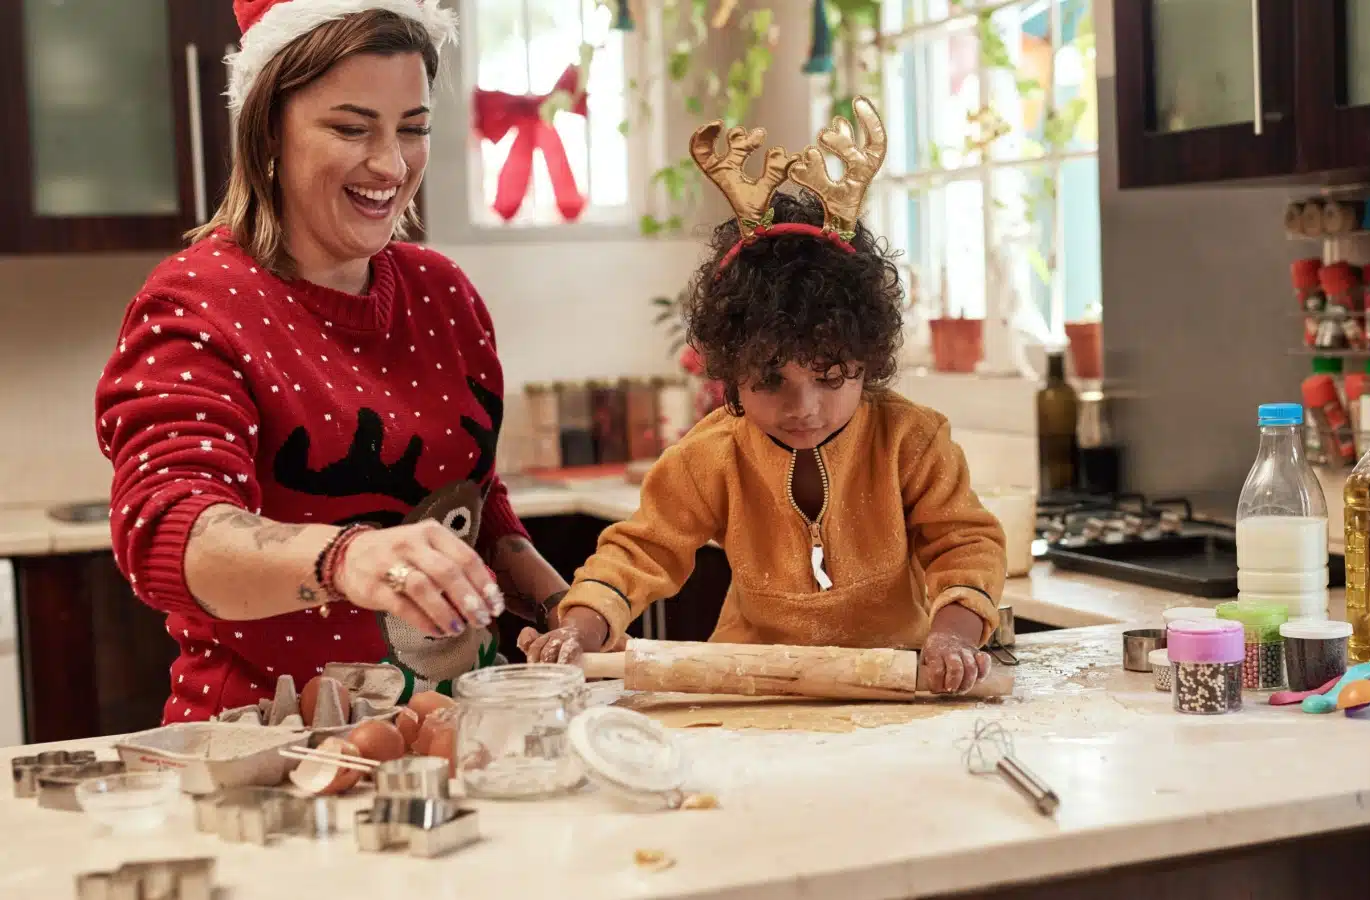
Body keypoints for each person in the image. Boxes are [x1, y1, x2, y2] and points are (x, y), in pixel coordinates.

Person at [94, 0, 567, 722]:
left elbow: (471, 497)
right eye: (352, 128)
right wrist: (344, 560)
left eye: (413, 128)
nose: (391, 163)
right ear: (268, 131)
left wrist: (563, 603)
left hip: (461, 733)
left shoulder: (442, 294)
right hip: (270, 750)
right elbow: (169, 530)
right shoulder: (197, 300)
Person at [521, 97, 1008, 694]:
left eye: (831, 379)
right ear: (728, 371)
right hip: (750, 688)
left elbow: (965, 543)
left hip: (896, 683)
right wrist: (580, 625)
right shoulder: (711, 455)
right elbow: (639, 551)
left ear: (869, 363)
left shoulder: (913, 442)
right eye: (770, 381)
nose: (803, 407)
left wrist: (953, 635)